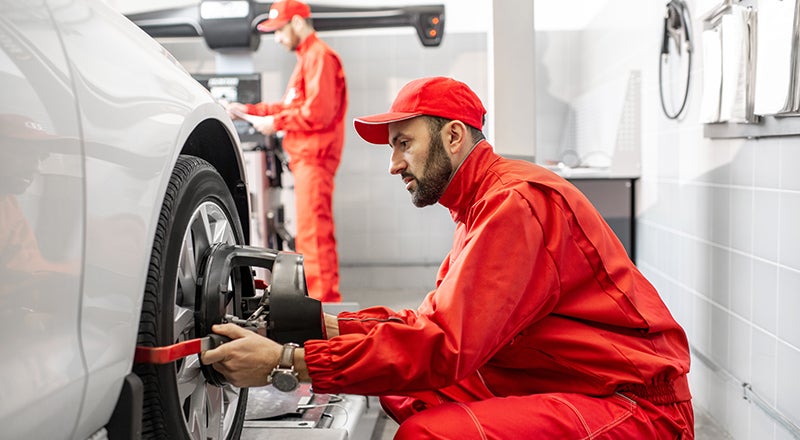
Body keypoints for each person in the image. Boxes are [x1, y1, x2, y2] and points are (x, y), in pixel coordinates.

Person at [202, 77, 694, 439]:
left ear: (453, 136)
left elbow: (440, 346)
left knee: (427, 435)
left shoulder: (513, 204)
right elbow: (425, 324)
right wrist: (312, 323)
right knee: (404, 391)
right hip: (564, 376)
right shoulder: (480, 204)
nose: (394, 164)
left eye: (404, 144)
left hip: (634, 407)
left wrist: (286, 362)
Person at [226, 0, 346, 302]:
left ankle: (323, 310)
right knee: (311, 235)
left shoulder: (320, 58)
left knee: (314, 238)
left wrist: (275, 122)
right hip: (306, 160)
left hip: (315, 159)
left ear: (296, 23)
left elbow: (317, 113)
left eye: (279, 31)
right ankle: (318, 305)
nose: (277, 39)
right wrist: (249, 111)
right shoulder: (307, 60)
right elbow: (291, 106)